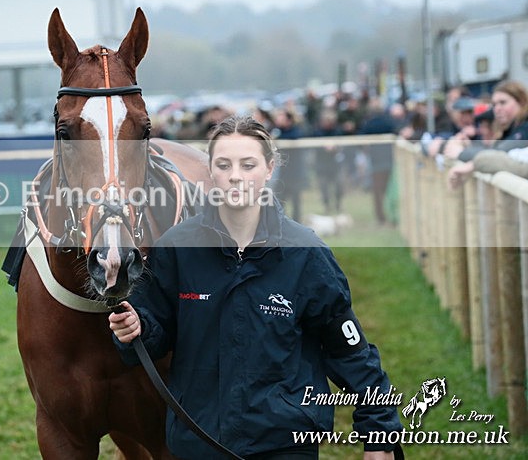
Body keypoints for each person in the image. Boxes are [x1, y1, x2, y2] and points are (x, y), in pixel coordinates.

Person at [109, 115, 402, 459]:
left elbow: (350, 353)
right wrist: (134, 328)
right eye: (224, 164)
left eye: (248, 164)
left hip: (284, 444)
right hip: (199, 443)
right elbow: (152, 331)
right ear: (210, 171)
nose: (235, 176)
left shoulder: (304, 253)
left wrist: (380, 436)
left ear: (269, 168)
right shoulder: (177, 248)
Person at [448, 80, 528, 188]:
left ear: (521, 102)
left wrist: (460, 153)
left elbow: (498, 153)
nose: (497, 109)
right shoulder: (510, 128)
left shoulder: (524, 127)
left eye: (503, 102)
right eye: (494, 104)